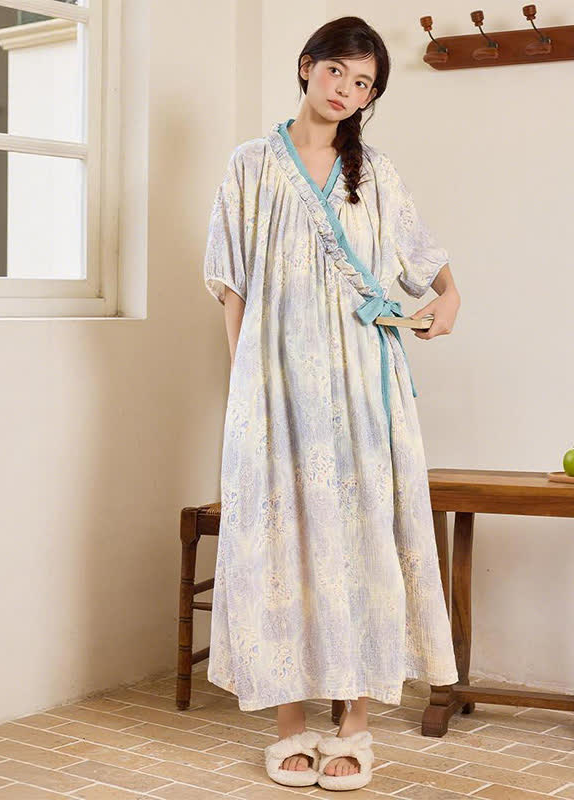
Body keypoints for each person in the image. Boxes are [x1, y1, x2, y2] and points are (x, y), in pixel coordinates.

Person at [202, 15, 462, 790]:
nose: (347, 90)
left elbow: (425, 260)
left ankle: (354, 723)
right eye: (338, 71)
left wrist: (449, 299)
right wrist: (246, 381)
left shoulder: (373, 172)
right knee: (278, 539)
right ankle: (290, 725)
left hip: (360, 384)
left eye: (365, 83)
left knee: (361, 538)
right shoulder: (251, 165)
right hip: (275, 386)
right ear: (307, 65)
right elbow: (231, 283)